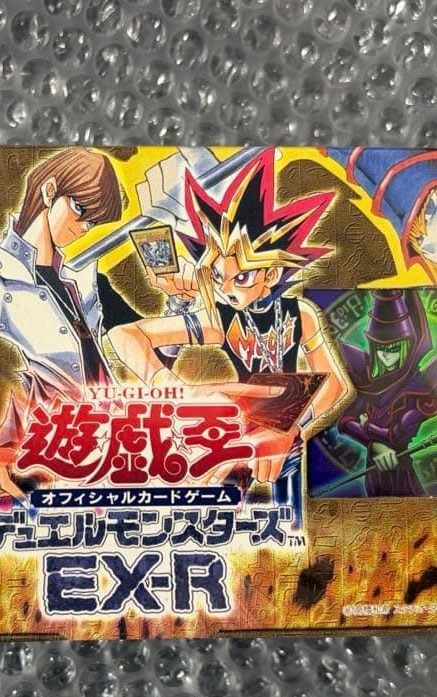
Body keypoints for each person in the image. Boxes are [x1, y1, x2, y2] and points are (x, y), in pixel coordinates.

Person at [107, 149, 352, 510]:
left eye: (241, 278)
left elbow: (335, 384)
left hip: (286, 446)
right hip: (238, 441)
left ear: (271, 273)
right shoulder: (221, 320)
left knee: (286, 522)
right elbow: (125, 335)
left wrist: (291, 427)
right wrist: (172, 386)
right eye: (219, 277)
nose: (227, 289)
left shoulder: (301, 314)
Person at [0, 148, 139, 537]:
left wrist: (178, 302)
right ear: (48, 190)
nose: (83, 228)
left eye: (93, 222)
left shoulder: (86, 282)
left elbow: (143, 344)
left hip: (110, 451)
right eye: (81, 209)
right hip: (39, 454)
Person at [336, 289, 437, 496]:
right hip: (374, 467)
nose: (385, 356)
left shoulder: (420, 389)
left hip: (398, 465)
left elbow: (396, 435)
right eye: (380, 349)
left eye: (393, 349)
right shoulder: (367, 382)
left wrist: (366, 427)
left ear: (406, 347)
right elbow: (345, 422)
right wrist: (373, 445)